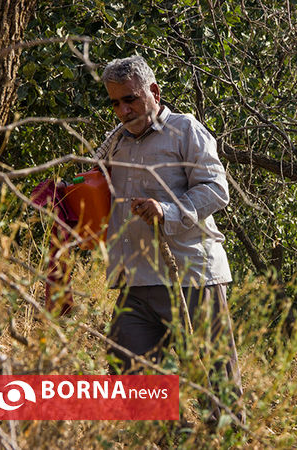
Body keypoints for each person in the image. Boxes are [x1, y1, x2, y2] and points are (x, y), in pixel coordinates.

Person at [97, 55, 243, 422]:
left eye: (130, 99)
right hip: (135, 279)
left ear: (154, 92)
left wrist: (168, 210)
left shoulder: (184, 130)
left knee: (216, 383)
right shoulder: (115, 142)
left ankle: (225, 442)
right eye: (115, 102)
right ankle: (170, 440)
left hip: (190, 275)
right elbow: (98, 193)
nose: (123, 110)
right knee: (130, 371)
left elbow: (216, 189)